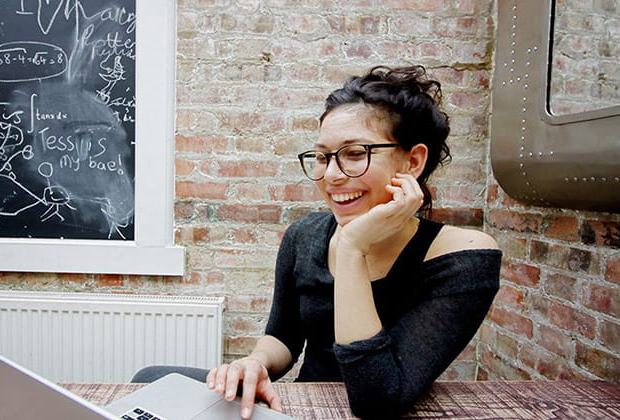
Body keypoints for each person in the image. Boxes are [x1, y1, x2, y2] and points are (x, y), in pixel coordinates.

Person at [132, 65, 502, 419]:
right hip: (304, 408)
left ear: (412, 162)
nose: (331, 175)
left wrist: (354, 247)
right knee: (151, 381)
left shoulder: (463, 256)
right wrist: (255, 364)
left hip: (377, 412)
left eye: (355, 154)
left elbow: (377, 398)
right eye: (323, 157)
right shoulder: (305, 235)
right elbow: (283, 338)